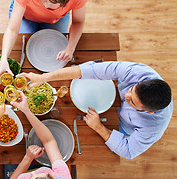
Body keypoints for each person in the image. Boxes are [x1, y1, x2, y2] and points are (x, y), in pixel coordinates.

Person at [20, 61, 173, 159]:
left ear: (148, 112)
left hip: (117, 125)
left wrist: (99, 128)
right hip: (104, 95)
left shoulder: (154, 127)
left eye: (132, 101)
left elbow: (129, 151)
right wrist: (44, 77)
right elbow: (92, 70)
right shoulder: (138, 72)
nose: (126, 95)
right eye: (131, 89)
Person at [0, 0, 87, 81]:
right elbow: (12, 29)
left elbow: (78, 22)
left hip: (56, 18)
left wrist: (70, 48)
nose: (46, 5)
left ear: (65, 0)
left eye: (52, 2)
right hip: (26, 16)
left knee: (54, 46)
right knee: (27, 43)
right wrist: (3, 58)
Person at [5, 91, 73, 179]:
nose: (33, 173)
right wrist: (27, 111)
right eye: (47, 176)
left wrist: (28, 158)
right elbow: (49, 141)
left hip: (21, 168)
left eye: (32, 178)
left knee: (9, 165)